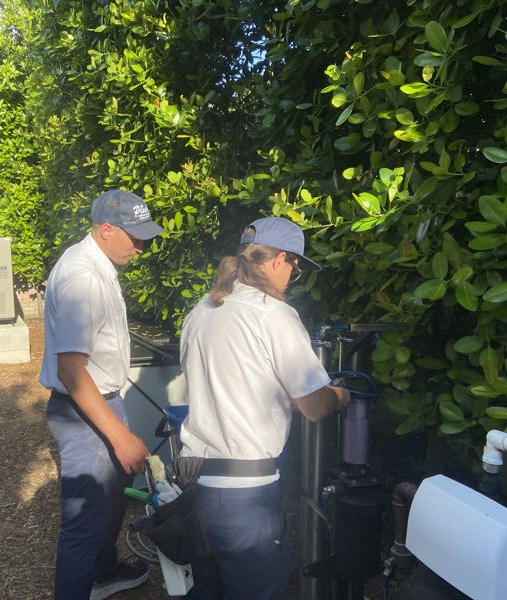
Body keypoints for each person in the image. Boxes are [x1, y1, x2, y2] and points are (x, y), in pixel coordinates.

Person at [178, 216, 352, 600]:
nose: (293, 276)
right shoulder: (274, 314)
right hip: (245, 496)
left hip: (192, 485)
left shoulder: (202, 311)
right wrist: (339, 396)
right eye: (295, 266)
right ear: (281, 260)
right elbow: (313, 406)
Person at [39, 189, 164, 600]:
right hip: (85, 411)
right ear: (106, 229)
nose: (141, 247)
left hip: (99, 404)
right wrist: (119, 434)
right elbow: (71, 370)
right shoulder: (84, 277)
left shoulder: (96, 263)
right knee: (84, 522)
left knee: (110, 503)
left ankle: (104, 572)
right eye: (136, 237)